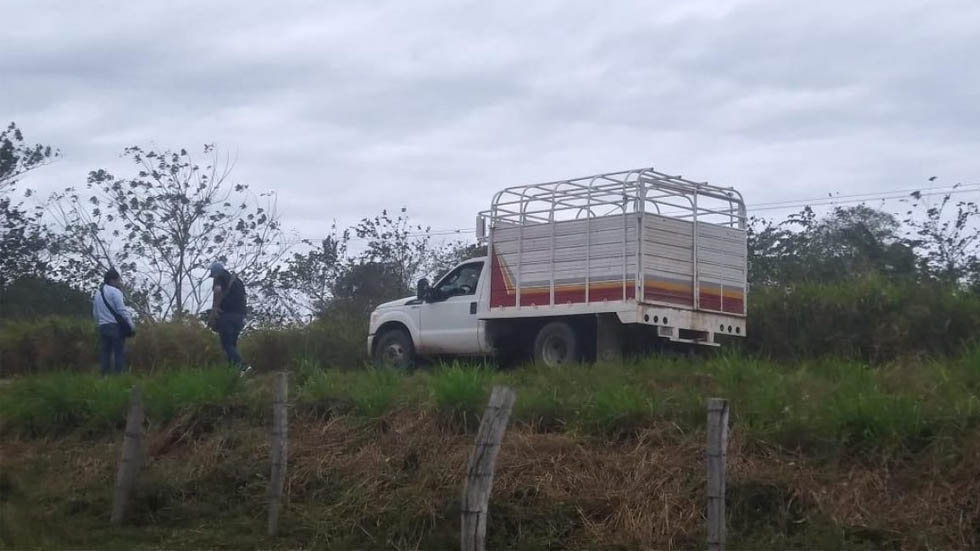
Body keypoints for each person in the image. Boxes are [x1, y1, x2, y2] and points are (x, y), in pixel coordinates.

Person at [208, 262, 252, 376]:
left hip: (227, 316)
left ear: (215, 273)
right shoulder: (237, 281)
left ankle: (243, 366)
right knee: (232, 345)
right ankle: (233, 372)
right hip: (240, 316)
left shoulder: (220, 277)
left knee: (226, 344)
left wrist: (215, 308)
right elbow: (244, 297)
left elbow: (217, 290)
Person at [92, 268, 135, 375]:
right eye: (118, 280)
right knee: (118, 353)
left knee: (105, 353)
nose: (119, 282)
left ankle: (104, 378)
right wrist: (131, 325)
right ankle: (119, 377)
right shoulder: (115, 292)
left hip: (102, 326)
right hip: (115, 327)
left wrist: (101, 321)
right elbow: (121, 311)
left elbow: (95, 313)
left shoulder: (98, 293)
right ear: (112, 280)